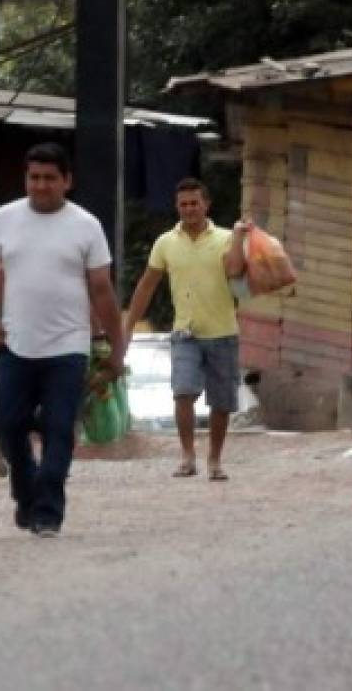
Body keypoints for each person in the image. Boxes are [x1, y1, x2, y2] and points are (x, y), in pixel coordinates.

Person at [0, 143, 125, 537]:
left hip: (68, 348)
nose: (40, 186)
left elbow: (103, 290)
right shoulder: (3, 220)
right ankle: (25, 490)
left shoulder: (86, 226)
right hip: (16, 344)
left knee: (59, 429)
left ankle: (47, 513)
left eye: (49, 178)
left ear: (67, 181)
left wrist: (115, 349)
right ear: (26, 179)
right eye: (34, 177)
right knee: (8, 426)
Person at [124, 178, 248, 481]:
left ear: (206, 204)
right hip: (185, 332)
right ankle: (187, 455)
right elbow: (147, 285)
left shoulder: (225, 238)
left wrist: (239, 238)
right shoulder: (165, 243)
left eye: (194, 203)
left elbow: (236, 271)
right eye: (183, 204)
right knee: (183, 393)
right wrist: (127, 326)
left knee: (221, 403)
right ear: (177, 207)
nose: (189, 209)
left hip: (222, 331)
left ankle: (215, 460)